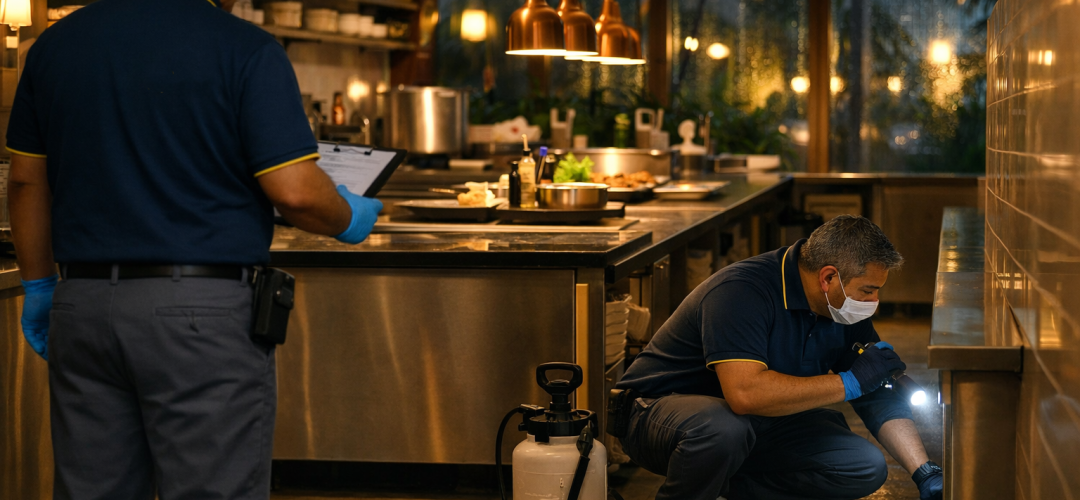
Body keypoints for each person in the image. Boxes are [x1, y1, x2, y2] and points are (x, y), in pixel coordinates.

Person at [5, 0, 382, 498]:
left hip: (83, 310)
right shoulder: (246, 48)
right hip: (199, 320)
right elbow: (295, 192)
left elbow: (27, 183)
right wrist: (347, 215)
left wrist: (38, 284)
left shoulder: (54, 46)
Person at [615, 215, 943, 500]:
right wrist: (849, 382)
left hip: (751, 424)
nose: (874, 301)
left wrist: (923, 471)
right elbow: (745, 394)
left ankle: (724, 485)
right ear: (829, 278)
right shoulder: (742, 291)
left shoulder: (841, 309)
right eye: (868, 290)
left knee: (861, 465)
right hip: (656, 416)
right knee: (723, 428)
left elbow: (875, 395)